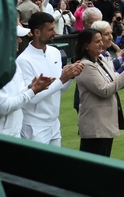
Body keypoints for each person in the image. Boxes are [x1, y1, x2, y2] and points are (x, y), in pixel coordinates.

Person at [16, 12, 84, 146]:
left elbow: (60, 89)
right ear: (37, 32)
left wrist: (70, 76)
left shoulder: (55, 52)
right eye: (50, 29)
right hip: (34, 126)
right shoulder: (24, 60)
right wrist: (62, 79)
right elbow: (32, 97)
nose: (55, 32)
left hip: (54, 123)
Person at [0, 26, 56, 137]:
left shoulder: (13, 63)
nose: (20, 40)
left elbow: (18, 93)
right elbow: (2, 107)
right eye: (16, 37)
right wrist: (32, 91)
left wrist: (30, 88)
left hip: (14, 134)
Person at [74, 28, 124, 157]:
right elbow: (105, 90)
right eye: (97, 41)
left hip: (104, 123)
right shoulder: (86, 66)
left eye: (101, 40)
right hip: (95, 126)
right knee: (92, 167)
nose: (101, 44)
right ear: (86, 46)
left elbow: (114, 81)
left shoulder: (100, 59)